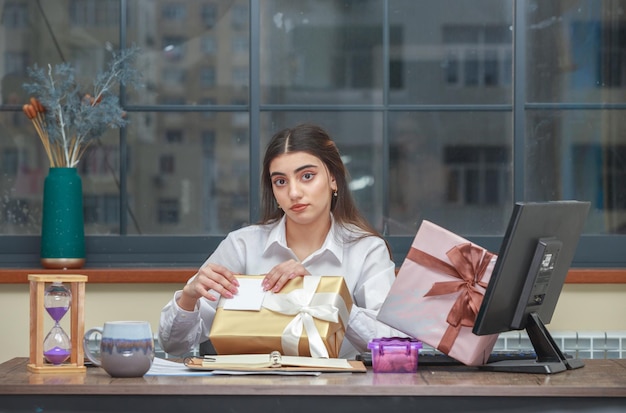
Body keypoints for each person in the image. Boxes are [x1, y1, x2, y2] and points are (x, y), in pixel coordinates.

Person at [158, 123, 402, 359]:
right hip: (251, 391)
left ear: (333, 179)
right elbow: (174, 345)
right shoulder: (242, 246)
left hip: (337, 393)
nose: (294, 193)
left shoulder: (367, 250)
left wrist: (324, 294)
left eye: (307, 176)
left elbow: (395, 345)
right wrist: (188, 297)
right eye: (281, 181)